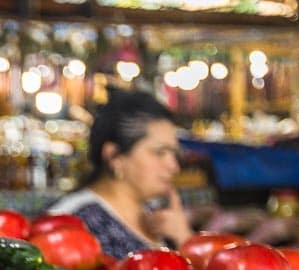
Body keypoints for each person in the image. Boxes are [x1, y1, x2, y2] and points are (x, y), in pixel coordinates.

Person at [46, 90, 193, 260]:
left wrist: (184, 238)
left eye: (174, 154)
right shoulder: (74, 223)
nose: (174, 166)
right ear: (114, 157)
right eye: (160, 153)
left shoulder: (158, 216)